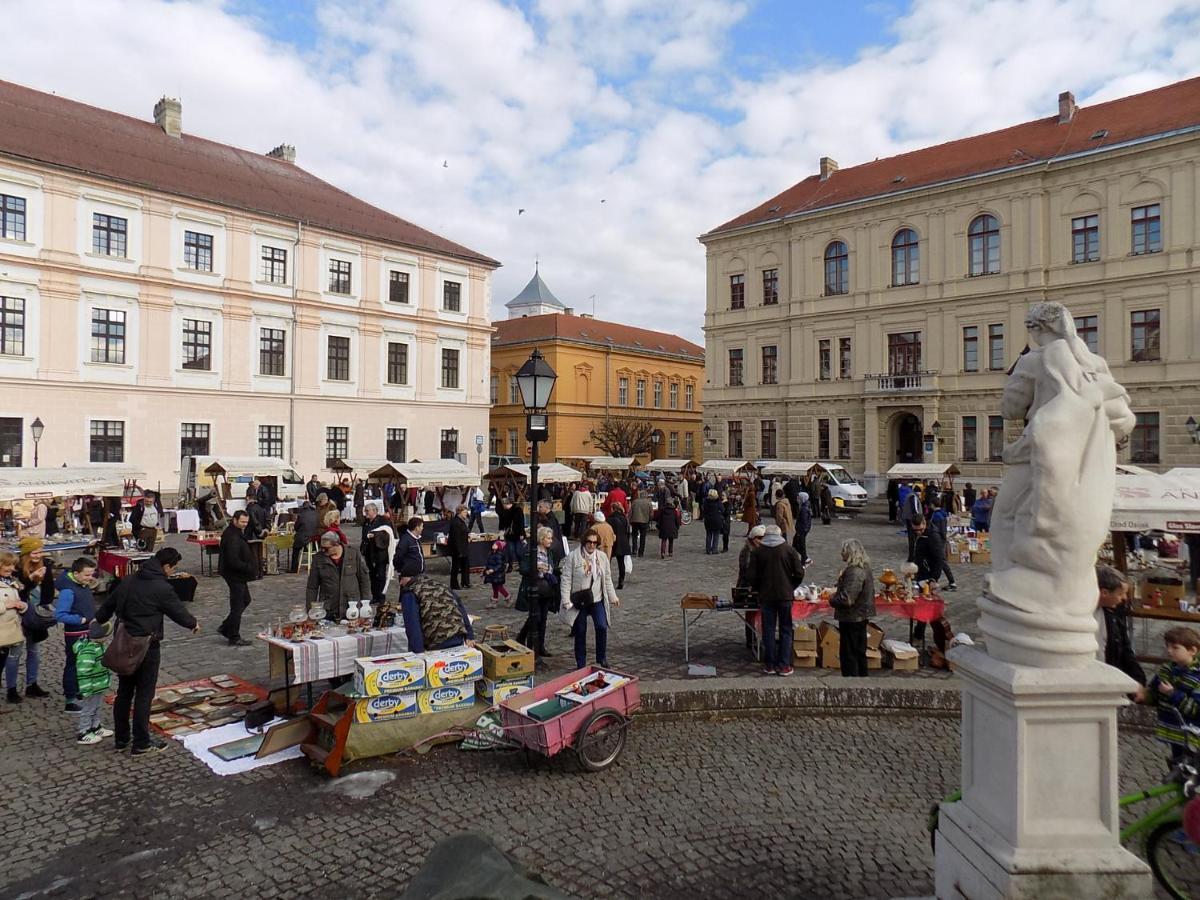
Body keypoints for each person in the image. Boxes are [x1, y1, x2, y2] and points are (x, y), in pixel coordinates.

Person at [95, 547, 198, 754]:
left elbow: (109, 604)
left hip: (124, 640)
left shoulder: (129, 579)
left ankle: (122, 738)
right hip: (146, 644)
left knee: (124, 691)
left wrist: (98, 620)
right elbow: (177, 610)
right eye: (173, 568)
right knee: (144, 694)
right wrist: (192, 623)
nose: (172, 572)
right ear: (166, 566)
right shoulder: (161, 587)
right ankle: (141, 742)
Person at [559, 528, 621, 668]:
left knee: (601, 626)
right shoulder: (574, 557)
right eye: (589, 542)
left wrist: (613, 597)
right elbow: (566, 579)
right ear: (584, 541)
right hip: (580, 600)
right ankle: (581, 662)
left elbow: (607, 579)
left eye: (595, 542)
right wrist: (566, 600)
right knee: (580, 631)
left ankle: (602, 657)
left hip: (596, 599)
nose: (592, 545)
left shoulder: (602, 557)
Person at [747, 524, 804, 676]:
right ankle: (784, 665)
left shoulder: (758, 552)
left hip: (766, 596)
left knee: (768, 630)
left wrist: (759, 587)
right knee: (786, 629)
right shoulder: (789, 550)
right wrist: (791, 586)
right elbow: (799, 572)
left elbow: (751, 576)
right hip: (785, 595)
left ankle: (770, 664)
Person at [1143, 626, 1200, 765]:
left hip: (1193, 735)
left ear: (1192, 650)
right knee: (1178, 766)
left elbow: (1196, 709)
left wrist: (1172, 693)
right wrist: (1144, 696)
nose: (1169, 651)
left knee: (1191, 769)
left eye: (1175, 647)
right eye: (1167, 646)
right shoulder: (1166, 670)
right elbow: (1155, 695)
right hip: (1174, 732)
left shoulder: (1197, 677)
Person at [8, 536, 54, 703]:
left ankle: (32, 684)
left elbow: (49, 592)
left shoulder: (46, 566)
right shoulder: (16, 569)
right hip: (18, 615)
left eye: (40, 552)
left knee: (34, 651)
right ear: (26, 553)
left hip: (36, 615)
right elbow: (17, 593)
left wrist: (44, 611)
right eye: (34, 552)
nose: (37, 555)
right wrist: (32, 579)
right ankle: (11, 689)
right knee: (15, 653)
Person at [54, 556, 99, 712]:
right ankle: (70, 699)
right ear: (76, 573)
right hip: (75, 634)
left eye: (92, 574)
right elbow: (60, 615)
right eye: (87, 575)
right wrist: (81, 619)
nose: (90, 578)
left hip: (88, 631)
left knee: (85, 664)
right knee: (73, 665)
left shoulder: (82, 584)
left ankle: (80, 689)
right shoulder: (68, 591)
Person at [830, 539, 876, 677]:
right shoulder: (864, 568)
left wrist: (832, 599)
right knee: (858, 651)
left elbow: (847, 599)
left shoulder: (854, 572)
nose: (841, 554)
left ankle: (852, 681)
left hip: (852, 617)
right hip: (860, 616)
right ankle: (861, 679)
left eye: (843, 551)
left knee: (850, 653)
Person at [1095, 565, 1145, 690]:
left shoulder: (1113, 614)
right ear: (1104, 593)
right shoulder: (1085, 614)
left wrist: (1137, 679)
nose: (1124, 598)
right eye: (1121, 593)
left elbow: (1125, 648)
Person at [397, 575, 475, 654]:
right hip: (457, 635)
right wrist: (469, 635)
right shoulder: (441, 585)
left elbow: (413, 625)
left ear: (410, 577)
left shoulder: (410, 593)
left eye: (401, 579)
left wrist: (418, 652)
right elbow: (460, 608)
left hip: (437, 639)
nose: (400, 583)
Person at [307, 532, 372, 621]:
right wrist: (310, 610)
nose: (323, 551)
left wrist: (366, 604)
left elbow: (364, 580)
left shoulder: (353, 553)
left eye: (326, 548)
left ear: (336, 545)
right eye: (322, 548)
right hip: (329, 608)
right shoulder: (318, 559)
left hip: (352, 607)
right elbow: (312, 587)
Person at [517, 526, 559, 658]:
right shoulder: (531, 551)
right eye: (548, 538)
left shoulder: (549, 552)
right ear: (541, 538)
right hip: (534, 588)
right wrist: (536, 568)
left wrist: (550, 569)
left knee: (543, 618)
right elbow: (523, 569)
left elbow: (552, 567)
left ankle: (540, 646)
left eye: (551, 538)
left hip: (546, 589)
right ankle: (525, 639)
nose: (550, 541)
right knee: (536, 616)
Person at [217, 511, 256, 646]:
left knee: (245, 600)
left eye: (246, 522)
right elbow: (233, 561)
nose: (245, 525)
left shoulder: (237, 532)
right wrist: (248, 567)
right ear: (234, 520)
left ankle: (226, 627)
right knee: (237, 604)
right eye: (242, 522)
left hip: (238, 575)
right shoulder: (232, 536)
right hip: (234, 575)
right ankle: (233, 635)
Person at [72, 619, 114, 745]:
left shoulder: (98, 646)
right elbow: (83, 672)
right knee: (88, 709)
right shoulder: (89, 650)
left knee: (97, 707)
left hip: (98, 685)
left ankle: (95, 726)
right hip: (91, 687)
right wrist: (86, 689)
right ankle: (84, 731)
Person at [0, 552, 28, 715]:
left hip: (12, 630)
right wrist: (7, 605)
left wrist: (22, 606)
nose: (11, 568)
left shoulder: (11, 582)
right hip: (2, 631)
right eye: (7, 565)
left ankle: (11, 691)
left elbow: (18, 601)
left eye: (12, 565)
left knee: (8, 662)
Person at [360, 503, 393, 603]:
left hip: (379, 552)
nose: (365, 513)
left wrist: (375, 535)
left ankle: (381, 596)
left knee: (380, 575)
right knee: (372, 575)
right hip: (368, 551)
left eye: (367, 511)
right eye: (365, 511)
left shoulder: (383, 521)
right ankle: (375, 596)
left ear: (374, 511)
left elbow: (388, 534)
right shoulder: (366, 522)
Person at [928, 500, 958, 591]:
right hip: (941, 539)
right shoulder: (941, 513)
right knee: (940, 561)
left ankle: (951, 582)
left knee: (941, 561)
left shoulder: (937, 515)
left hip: (938, 540)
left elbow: (938, 529)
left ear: (933, 504)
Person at [448, 505, 472, 590]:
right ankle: (454, 584)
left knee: (465, 566)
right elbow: (456, 538)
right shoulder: (456, 523)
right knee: (456, 567)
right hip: (458, 549)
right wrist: (459, 551)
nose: (466, 514)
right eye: (465, 512)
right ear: (459, 512)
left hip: (464, 547)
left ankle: (465, 582)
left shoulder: (462, 521)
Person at [290, 500, 319, 573]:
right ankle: (314, 564)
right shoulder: (315, 513)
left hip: (304, 537)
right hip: (314, 537)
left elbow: (296, 527)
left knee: (295, 548)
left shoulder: (301, 515)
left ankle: (294, 568)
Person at [608, 502, 631, 590]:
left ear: (613, 509)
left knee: (607, 561)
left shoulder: (610, 519)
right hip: (623, 541)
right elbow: (627, 530)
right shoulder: (624, 518)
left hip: (613, 541)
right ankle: (621, 580)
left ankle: (607, 580)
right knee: (621, 563)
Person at [483, 540, 510, 609]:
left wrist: (493, 569)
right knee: (494, 587)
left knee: (499, 587)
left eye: (495, 544)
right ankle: (494, 601)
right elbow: (488, 562)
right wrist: (485, 570)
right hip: (493, 574)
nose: (493, 545)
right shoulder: (491, 553)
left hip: (498, 574)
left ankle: (508, 597)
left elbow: (499, 565)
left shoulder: (499, 555)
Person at [629, 490, 652, 558]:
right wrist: (649, 519)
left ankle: (634, 550)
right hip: (644, 521)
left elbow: (630, 512)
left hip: (635, 520)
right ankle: (641, 552)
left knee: (634, 536)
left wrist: (629, 519)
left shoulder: (635, 501)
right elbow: (651, 513)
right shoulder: (648, 502)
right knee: (642, 537)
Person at [701, 489, 724, 555]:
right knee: (716, 535)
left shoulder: (706, 501)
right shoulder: (718, 502)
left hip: (708, 519)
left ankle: (708, 549)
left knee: (709, 534)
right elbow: (722, 509)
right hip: (716, 519)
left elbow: (704, 509)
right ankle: (714, 549)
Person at [793, 492, 813, 567]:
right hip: (802, 530)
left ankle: (804, 561)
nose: (797, 499)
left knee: (800, 545)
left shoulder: (804, 508)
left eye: (799, 497)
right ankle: (805, 558)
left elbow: (804, 521)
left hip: (801, 530)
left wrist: (800, 531)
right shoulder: (804, 506)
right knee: (797, 544)